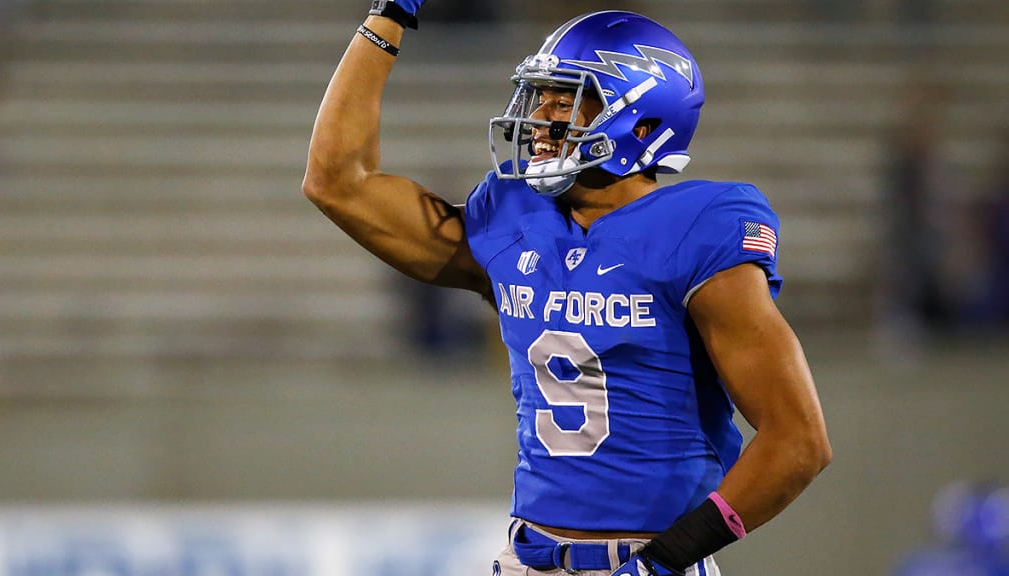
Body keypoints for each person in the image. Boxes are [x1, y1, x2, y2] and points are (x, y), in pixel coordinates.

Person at [303, 3, 832, 575]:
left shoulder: (698, 226)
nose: (538, 119)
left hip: (648, 558)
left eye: (566, 99)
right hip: (527, 557)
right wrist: (389, 14)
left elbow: (798, 442)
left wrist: (663, 562)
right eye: (540, 98)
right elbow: (337, 182)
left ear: (643, 122)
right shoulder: (515, 220)